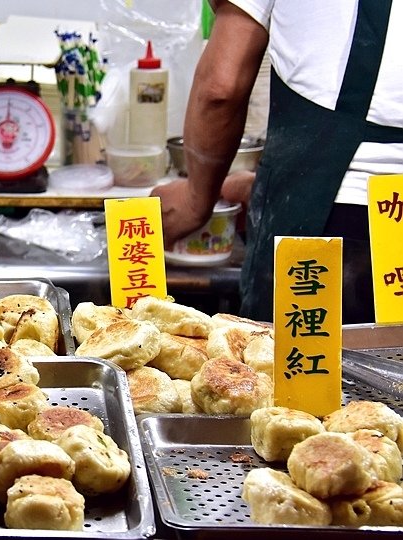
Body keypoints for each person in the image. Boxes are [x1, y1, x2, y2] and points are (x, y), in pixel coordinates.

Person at [151, 0, 403, 324]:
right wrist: (261, 187)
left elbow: (221, 87)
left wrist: (196, 199)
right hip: (387, 222)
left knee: (291, 370)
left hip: (325, 224)